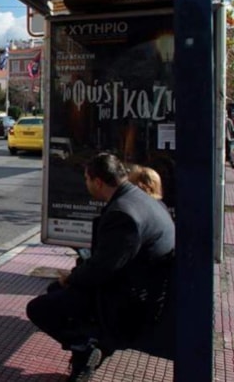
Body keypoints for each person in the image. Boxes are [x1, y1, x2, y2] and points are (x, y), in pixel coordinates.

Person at [26, 153, 175, 382]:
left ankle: (90, 345)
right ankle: (88, 348)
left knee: (40, 307)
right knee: (59, 292)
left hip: (131, 304)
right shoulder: (141, 199)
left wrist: (71, 278)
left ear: (98, 182)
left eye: (87, 179)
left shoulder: (122, 214)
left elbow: (102, 269)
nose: (85, 184)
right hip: (145, 287)